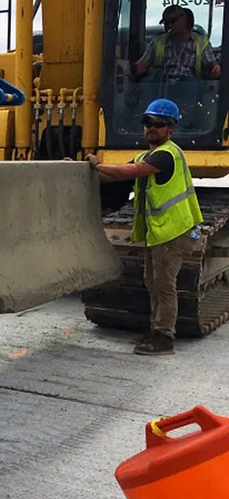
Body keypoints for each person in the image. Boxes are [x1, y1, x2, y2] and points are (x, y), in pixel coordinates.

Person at [87, 98, 203, 356]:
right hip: (159, 232)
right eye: (148, 122)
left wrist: (97, 164)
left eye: (159, 124)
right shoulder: (146, 155)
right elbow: (115, 175)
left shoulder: (166, 155)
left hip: (173, 232)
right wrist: (82, 170)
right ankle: (156, 330)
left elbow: (128, 172)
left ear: (170, 128)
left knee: (164, 286)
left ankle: (164, 337)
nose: (151, 128)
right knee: (153, 283)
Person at [134, 4, 221, 82]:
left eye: (173, 21)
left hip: (189, 85)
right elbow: (142, 64)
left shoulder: (201, 42)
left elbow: (212, 64)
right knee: (147, 82)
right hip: (161, 83)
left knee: (190, 81)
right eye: (166, 23)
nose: (169, 25)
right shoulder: (158, 41)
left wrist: (215, 69)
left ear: (184, 20)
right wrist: (130, 69)